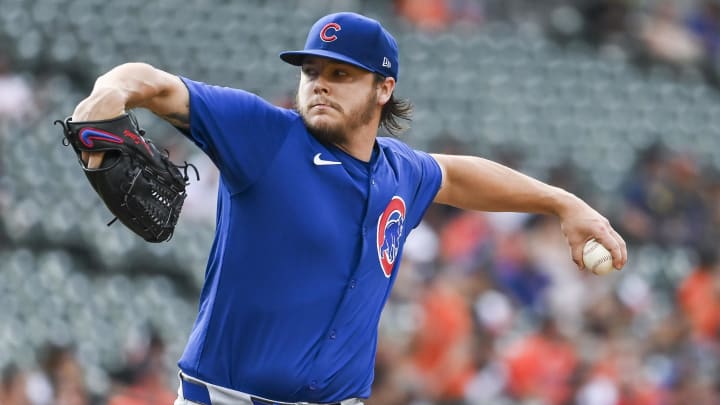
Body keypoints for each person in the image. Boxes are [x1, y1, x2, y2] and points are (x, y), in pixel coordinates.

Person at [70, 11, 627, 405]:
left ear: (383, 88)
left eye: (341, 74)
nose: (319, 85)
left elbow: (459, 174)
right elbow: (150, 84)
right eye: (311, 72)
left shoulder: (400, 172)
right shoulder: (267, 136)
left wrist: (561, 202)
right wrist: (108, 94)